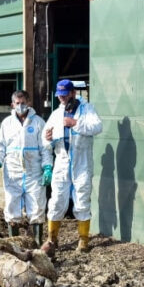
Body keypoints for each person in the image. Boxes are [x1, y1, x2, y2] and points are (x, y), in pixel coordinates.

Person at [43, 79, 102, 252]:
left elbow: (97, 126)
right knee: (56, 200)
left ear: (73, 93)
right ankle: (52, 239)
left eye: (64, 95)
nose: (61, 99)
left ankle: (83, 240)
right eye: (59, 96)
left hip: (81, 162)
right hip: (62, 161)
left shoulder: (87, 109)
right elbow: (46, 141)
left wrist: (76, 124)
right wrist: (47, 138)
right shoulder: (56, 114)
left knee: (82, 199)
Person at [0, 90, 52, 244]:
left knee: (37, 205)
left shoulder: (38, 122)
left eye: (23, 102)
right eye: (17, 103)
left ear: (29, 103)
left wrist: (48, 167)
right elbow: (0, 146)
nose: (21, 106)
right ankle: (13, 242)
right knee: (12, 205)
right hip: (13, 170)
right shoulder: (7, 123)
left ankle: (37, 243)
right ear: (12, 104)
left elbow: (45, 147)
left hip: (34, 171)